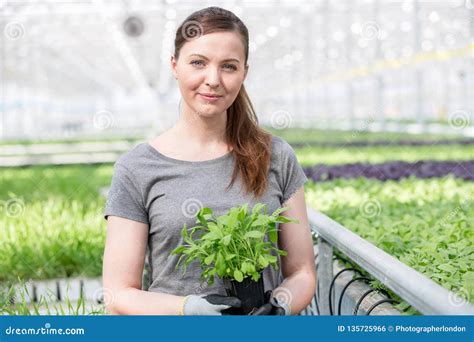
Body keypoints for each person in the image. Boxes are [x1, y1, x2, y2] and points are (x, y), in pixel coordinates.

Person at [102, 6, 316, 315]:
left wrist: (280, 306)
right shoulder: (137, 167)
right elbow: (118, 292)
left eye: (229, 66)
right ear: (175, 66)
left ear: (244, 72)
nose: (213, 79)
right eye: (198, 63)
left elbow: (303, 272)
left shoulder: (276, 155)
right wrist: (186, 309)